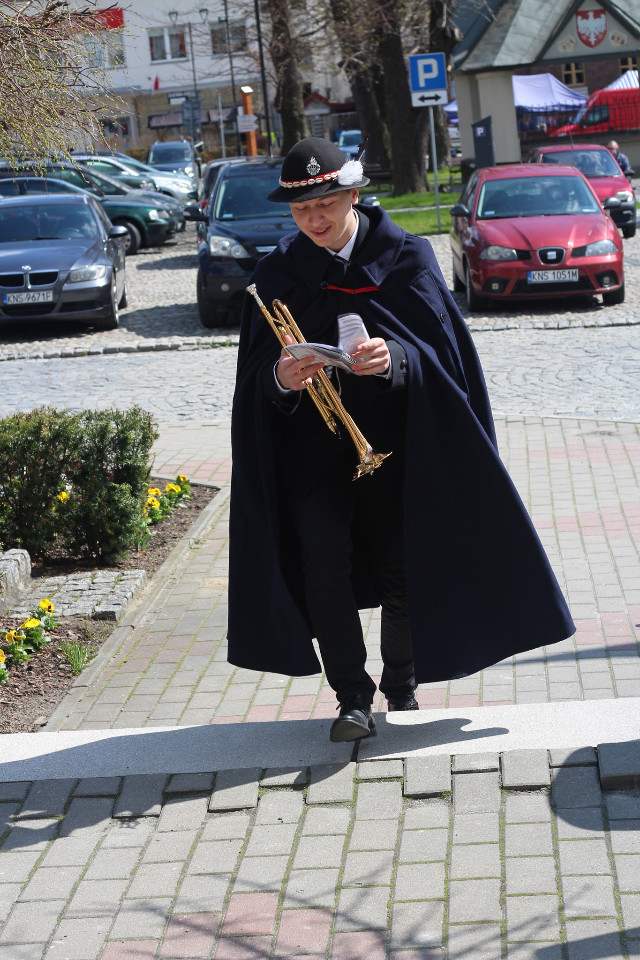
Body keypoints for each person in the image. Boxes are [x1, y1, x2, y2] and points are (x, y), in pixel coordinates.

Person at [227, 137, 575, 743]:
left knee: (400, 569)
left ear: (352, 195)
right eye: (302, 209)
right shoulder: (276, 274)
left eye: (325, 204)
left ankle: (402, 683)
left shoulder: (407, 257)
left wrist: (395, 359)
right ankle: (352, 698)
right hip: (312, 455)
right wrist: (280, 378)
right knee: (322, 561)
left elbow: (445, 357)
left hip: (398, 445)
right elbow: (255, 377)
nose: (315, 219)